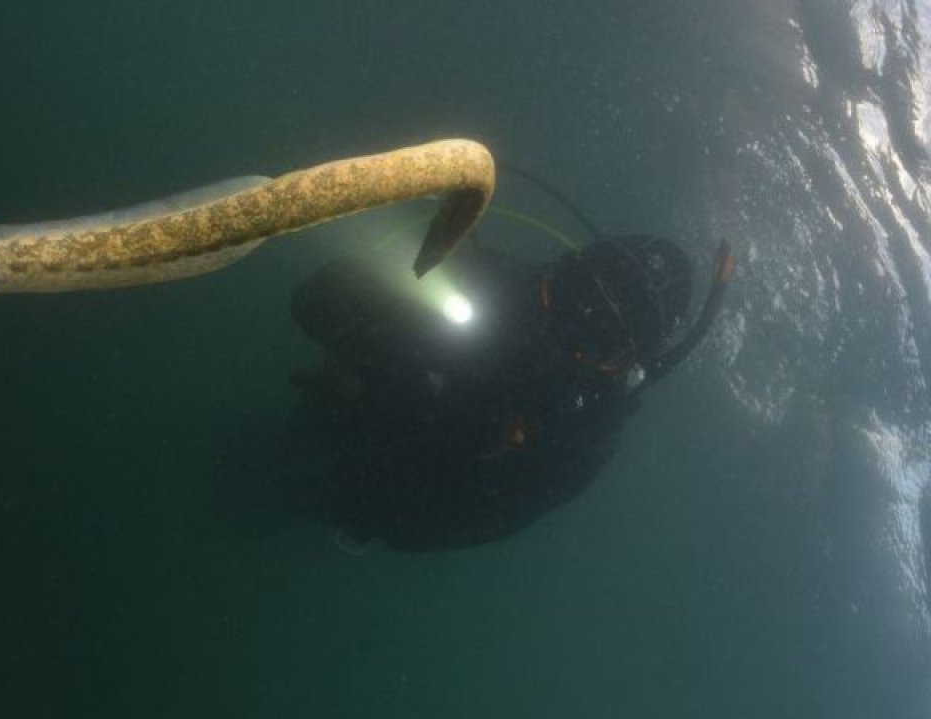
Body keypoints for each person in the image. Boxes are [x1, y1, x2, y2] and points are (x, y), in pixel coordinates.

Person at [287, 195, 735, 552]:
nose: (556, 334)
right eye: (566, 296)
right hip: (337, 409)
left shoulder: (585, 434)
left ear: (618, 362)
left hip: (368, 488)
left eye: (593, 342)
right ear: (561, 269)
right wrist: (369, 348)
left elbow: (461, 525)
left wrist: (377, 504)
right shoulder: (496, 279)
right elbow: (316, 299)